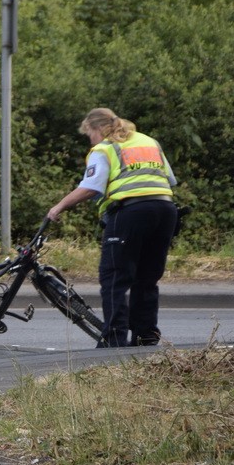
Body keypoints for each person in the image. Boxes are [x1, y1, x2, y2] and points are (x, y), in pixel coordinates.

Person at [46, 107, 177, 348]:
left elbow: (91, 187)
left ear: (96, 129)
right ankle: (145, 335)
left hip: (130, 212)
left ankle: (114, 339)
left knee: (115, 276)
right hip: (165, 210)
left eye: (89, 135)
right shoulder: (149, 141)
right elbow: (169, 179)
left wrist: (58, 207)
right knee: (147, 277)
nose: (90, 140)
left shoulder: (105, 148)